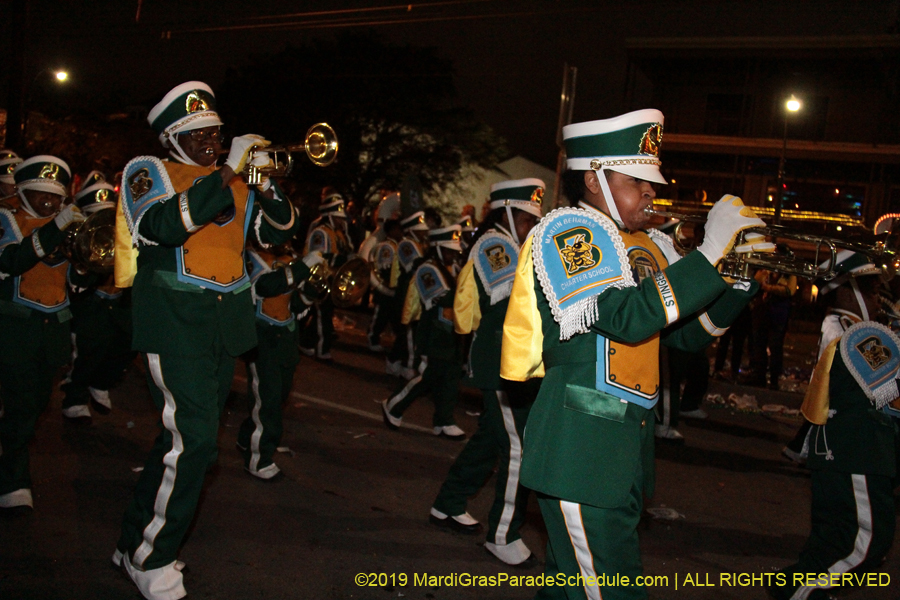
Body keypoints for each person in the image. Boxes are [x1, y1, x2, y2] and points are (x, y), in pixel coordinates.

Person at [501, 109, 765, 600]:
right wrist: (707, 257)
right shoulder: (569, 232)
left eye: (652, 181)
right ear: (594, 180)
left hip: (622, 449)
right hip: (581, 447)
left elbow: (685, 337)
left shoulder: (647, 245)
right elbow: (625, 317)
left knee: (571, 587)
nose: (651, 191)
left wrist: (738, 279)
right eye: (637, 179)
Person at [112, 81, 300, 600]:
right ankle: (152, 556)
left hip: (225, 325)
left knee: (181, 442)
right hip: (174, 321)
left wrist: (266, 182)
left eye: (214, 132)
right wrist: (231, 170)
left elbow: (278, 232)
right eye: (196, 133)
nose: (209, 140)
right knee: (194, 442)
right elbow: (163, 226)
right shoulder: (146, 171)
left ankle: (133, 540)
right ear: (171, 135)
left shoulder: (235, 180)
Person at [430, 178, 543, 566]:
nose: (532, 226)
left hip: (507, 358)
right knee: (518, 447)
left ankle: (447, 503)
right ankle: (502, 534)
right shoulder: (497, 245)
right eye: (527, 218)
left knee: (492, 440)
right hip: (501, 361)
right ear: (508, 212)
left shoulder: (510, 244)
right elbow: (512, 302)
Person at [768, 320, 899, 600]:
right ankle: (801, 592)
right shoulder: (866, 336)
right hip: (858, 453)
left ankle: (792, 587)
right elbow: (887, 399)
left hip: (850, 452)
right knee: (865, 542)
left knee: (832, 542)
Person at [0, 155, 85, 511]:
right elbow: (13, 261)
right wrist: (58, 226)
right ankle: (14, 482)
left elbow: (78, 283)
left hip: (53, 333)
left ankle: (9, 448)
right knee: (20, 408)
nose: (49, 202)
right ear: (21, 192)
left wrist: (86, 262)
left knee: (34, 406)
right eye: (40, 195)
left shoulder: (64, 226)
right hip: (15, 330)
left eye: (54, 196)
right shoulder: (7, 219)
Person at [239, 241, 321, 480]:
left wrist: (310, 292)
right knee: (268, 401)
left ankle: (247, 437)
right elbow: (266, 285)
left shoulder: (288, 260)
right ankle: (258, 460)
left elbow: (292, 305)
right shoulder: (250, 256)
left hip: (285, 339)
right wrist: (302, 268)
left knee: (278, 396)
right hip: (262, 340)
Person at [381, 224, 467, 440]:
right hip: (433, 335)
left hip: (451, 335)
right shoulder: (426, 270)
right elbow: (441, 299)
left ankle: (444, 421)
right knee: (427, 377)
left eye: (454, 251)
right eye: (448, 251)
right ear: (437, 248)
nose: (452, 255)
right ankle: (393, 405)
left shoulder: (452, 268)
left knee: (450, 378)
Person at [61, 171, 134, 422]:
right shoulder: (76, 232)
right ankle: (75, 398)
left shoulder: (121, 228)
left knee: (126, 344)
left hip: (119, 297)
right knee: (89, 350)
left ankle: (101, 382)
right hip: (92, 299)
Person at [299, 190, 352, 361]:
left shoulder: (338, 233)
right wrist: (344, 259)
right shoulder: (321, 232)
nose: (341, 220)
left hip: (331, 280)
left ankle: (306, 343)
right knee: (322, 315)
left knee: (321, 315)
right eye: (338, 217)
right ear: (329, 216)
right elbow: (318, 256)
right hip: (318, 280)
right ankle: (322, 349)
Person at [384, 211, 430, 379]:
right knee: (409, 329)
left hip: (415, 292)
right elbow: (416, 266)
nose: (425, 232)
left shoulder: (419, 243)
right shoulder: (406, 244)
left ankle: (394, 360)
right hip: (407, 292)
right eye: (421, 229)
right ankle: (407, 365)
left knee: (409, 331)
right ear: (412, 230)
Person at [748, 255, 798, 390]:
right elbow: (755, 283)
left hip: (778, 315)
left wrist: (769, 288)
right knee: (759, 346)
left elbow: (789, 290)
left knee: (775, 348)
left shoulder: (788, 274)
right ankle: (760, 376)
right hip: (762, 313)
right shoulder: (765, 270)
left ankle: (774, 380)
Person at [367, 218, 403, 352]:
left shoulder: (395, 246)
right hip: (385, 289)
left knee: (394, 317)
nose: (401, 232)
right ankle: (372, 339)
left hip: (391, 289)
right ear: (392, 230)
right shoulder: (387, 247)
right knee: (380, 316)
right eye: (399, 229)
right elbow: (386, 267)